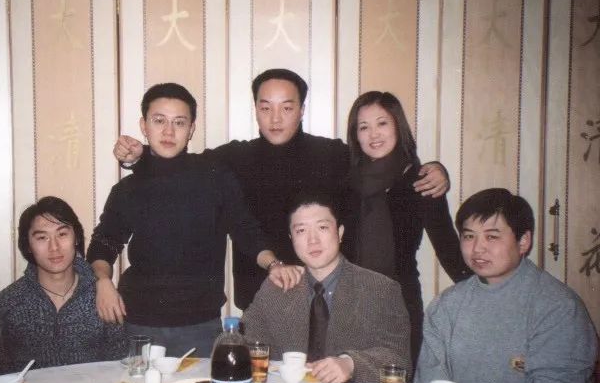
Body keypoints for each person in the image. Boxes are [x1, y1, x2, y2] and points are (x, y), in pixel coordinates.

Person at [113, 69, 450, 310]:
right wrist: (140, 157)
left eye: (287, 108)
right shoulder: (235, 158)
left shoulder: (331, 154)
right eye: (266, 108)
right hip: (260, 299)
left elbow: (377, 162)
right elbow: (183, 167)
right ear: (256, 111)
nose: (275, 118)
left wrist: (434, 170)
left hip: (324, 300)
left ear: (301, 111)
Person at [87, 83, 302, 356]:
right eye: (159, 121)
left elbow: (245, 230)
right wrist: (102, 282)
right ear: (144, 126)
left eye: (179, 122)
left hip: (200, 325)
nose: (168, 132)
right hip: (138, 323)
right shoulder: (127, 189)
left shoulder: (215, 177)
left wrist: (274, 264)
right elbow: (103, 244)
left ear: (191, 129)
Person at [415, 188, 597, 383]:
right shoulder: (446, 305)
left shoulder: (559, 308)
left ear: (523, 241)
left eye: (492, 237)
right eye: (469, 236)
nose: (477, 248)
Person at [344, 91, 472, 366]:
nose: (373, 134)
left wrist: (486, 289)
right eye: (363, 127)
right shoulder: (344, 180)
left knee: (397, 382)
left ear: (398, 126)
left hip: (399, 303)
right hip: (347, 304)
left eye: (382, 123)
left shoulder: (421, 181)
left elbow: (448, 248)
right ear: (355, 135)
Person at [241, 193, 411, 383]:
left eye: (322, 227)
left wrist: (351, 364)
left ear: (340, 233)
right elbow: (244, 340)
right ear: (291, 238)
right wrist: (228, 341)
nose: (312, 240)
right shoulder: (278, 287)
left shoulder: (380, 289)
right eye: (301, 231)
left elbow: (399, 358)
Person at [0, 196, 127, 373]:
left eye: (62, 234)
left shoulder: (105, 298)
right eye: (42, 238)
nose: (54, 247)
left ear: (76, 238)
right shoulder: (4, 305)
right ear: (28, 245)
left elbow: (119, 369)